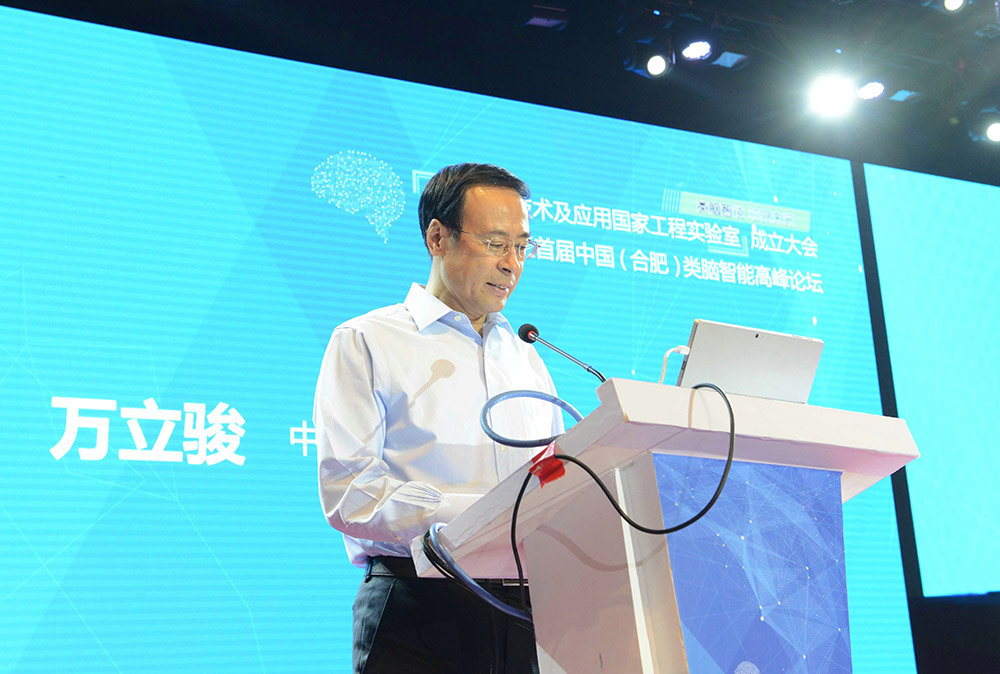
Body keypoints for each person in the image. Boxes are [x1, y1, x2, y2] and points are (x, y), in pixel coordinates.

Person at [314, 163, 563, 673]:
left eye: (523, 246)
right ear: (437, 238)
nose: (512, 264)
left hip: (528, 610)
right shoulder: (366, 340)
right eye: (495, 243)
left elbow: (551, 477)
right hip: (420, 606)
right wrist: (478, 516)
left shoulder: (527, 356)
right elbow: (349, 493)